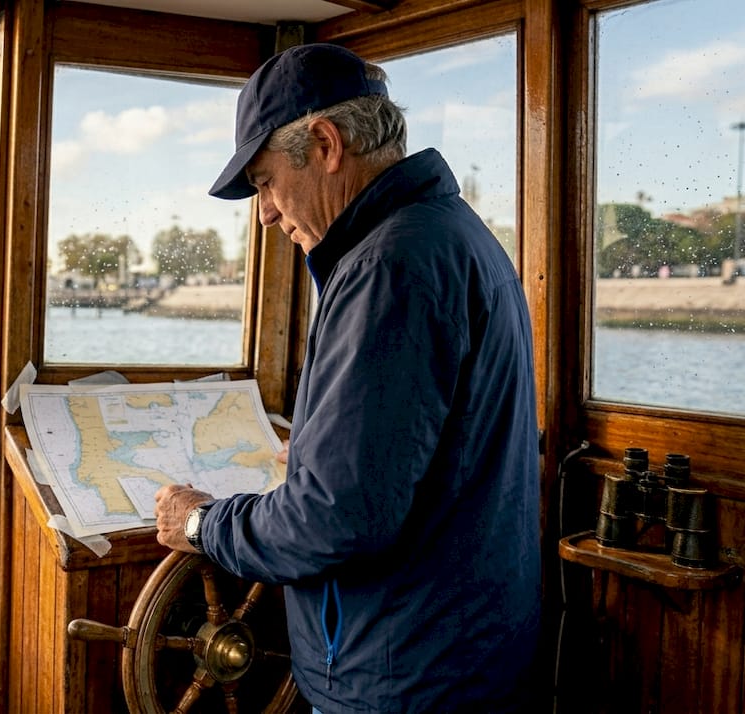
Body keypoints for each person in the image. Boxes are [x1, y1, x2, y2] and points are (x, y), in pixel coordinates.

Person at [154, 42, 541, 714]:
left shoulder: (387, 267)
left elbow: (336, 520)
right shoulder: (453, 234)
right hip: (464, 652)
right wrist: (317, 449)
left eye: (266, 182)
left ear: (327, 144)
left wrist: (201, 526)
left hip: (402, 674)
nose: (266, 214)